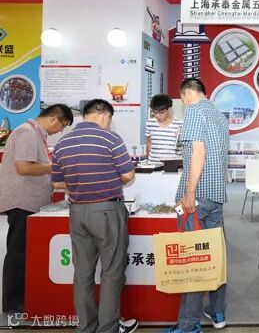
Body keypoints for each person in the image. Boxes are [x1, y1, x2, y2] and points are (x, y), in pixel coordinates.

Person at [51, 99, 138, 333]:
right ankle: (108, 328)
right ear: (104, 115)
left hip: (77, 213)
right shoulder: (110, 138)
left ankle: (86, 327)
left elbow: (57, 183)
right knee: (111, 272)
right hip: (107, 212)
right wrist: (108, 176)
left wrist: (81, 181)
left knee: (82, 273)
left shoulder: (62, 143)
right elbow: (128, 175)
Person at [0, 104, 73, 314]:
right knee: (18, 252)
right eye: (62, 125)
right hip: (22, 201)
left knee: (24, 252)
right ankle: (13, 304)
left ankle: (22, 299)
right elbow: (24, 167)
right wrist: (55, 167)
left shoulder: (36, 134)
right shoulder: (27, 132)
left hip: (30, 201)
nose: (60, 130)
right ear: (54, 118)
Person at [172, 78, 229, 333]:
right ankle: (217, 312)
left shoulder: (194, 111)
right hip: (216, 196)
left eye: (182, 99)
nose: (184, 103)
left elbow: (198, 152)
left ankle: (188, 325)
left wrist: (190, 192)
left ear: (187, 95)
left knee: (193, 260)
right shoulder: (219, 115)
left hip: (198, 198)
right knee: (214, 256)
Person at [145, 94, 183, 162]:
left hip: (173, 165)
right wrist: (148, 160)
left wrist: (180, 140)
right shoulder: (150, 123)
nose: (158, 115)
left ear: (169, 109)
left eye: (161, 112)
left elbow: (185, 148)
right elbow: (149, 142)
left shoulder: (180, 125)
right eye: (155, 112)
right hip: (153, 163)